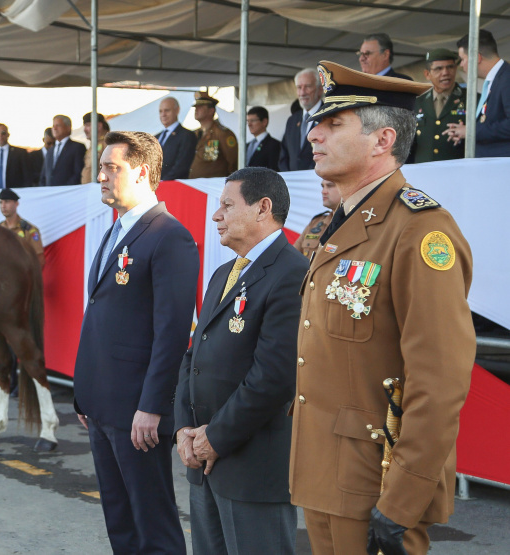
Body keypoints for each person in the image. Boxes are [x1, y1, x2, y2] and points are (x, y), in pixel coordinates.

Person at [291, 60, 475, 555]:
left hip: (376, 486)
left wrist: (401, 502)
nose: (315, 135)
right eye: (317, 124)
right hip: (324, 476)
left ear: (382, 140)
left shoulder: (418, 230)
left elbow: (439, 381)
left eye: (333, 125)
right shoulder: (342, 223)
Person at [73, 131, 199, 554]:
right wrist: (84, 395)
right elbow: (101, 317)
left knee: (153, 523)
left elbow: (172, 333)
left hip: (137, 411)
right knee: (120, 521)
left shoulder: (169, 236)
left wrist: (152, 406)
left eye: (113, 168)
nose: (102, 177)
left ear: (142, 172)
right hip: (103, 403)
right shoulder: (117, 231)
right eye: (102, 167)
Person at [175, 167, 306, 555]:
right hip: (203, 463)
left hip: (252, 471)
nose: (217, 215)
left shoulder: (292, 274)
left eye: (227, 205)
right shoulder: (223, 274)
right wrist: (184, 429)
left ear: (263, 208)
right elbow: (193, 355)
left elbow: (274, 377)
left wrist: (214, 438)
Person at [0, 187, 44, 396]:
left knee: (23, 338)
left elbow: (39, 260)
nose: (4, 206)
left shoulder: (28, 230)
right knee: (2, 339)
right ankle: (8, 384)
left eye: (7, 202)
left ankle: (26, 386)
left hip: (22, 294)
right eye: (1, 202)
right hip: (1, 293)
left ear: (16, 204)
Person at [446, 30, 510, 157]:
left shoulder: (507, 78)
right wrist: (464, 132)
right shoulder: (497, 79)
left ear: (477, 57)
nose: (462, 65)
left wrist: (471, 131)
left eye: (463, 59)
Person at [413, 49, 467, 163]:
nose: (445, 72)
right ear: (427, 74)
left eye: (450, 67)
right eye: (438, 69)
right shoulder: (417, 102)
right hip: (424, 173)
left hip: (457, 171)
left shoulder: (471, 99)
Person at [279, 68, 323, 172]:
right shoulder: (292, 120)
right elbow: (284, 156)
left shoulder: (330, 117)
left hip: (320, 183)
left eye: (307, 87)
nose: (302, 93)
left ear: (320, 89)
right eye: (299, 87)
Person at [292, 179, 341, 258]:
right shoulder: (315, 222)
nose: (323, 191)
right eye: (323, 186)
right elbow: (292, 257)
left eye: (329, 186)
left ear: (344, 188)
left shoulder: (353, 221)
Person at [156, 96, 197, 180]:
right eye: (160, 111)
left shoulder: (186, 135)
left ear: (177, 110)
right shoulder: (156, 137)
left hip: (172, 186)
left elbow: (181, 166)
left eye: (167, 110)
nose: (163, 114)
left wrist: (162, 182)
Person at [0, 123, 32, 188]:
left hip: (13, 193)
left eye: (3, 133)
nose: (0, 136)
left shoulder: (20, 153)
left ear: (8, 135)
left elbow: (27, 176)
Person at [39, 115, 86, 186]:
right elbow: (44, 176)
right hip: (50, 194)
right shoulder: (50, 151)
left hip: (68, 193)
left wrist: (64, 190)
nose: (54, 128)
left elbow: (78, 173)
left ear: (68, 128)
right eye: (53, 126)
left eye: (58, 125)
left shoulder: (77, 147)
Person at [244, 106, 281, 170]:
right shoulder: (246, 145)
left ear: (264, 122)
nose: (249, 124)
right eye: (248, 121)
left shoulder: (274, 145)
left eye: (253, 120)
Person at [81, 112, 109, 184]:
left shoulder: (108, 142)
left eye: (87, 125)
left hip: (100, 189)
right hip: (88, 189)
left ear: (99, 126)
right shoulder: (93, 144)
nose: (84, 130)